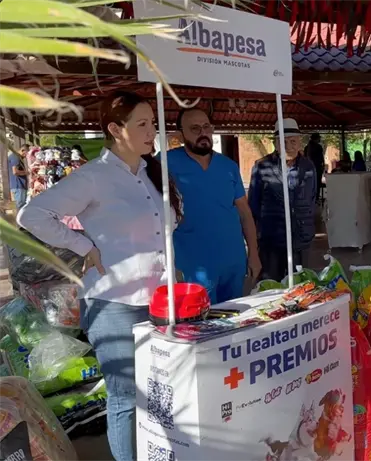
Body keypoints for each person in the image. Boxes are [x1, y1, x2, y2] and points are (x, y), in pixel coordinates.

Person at [17, 91, 183, 461]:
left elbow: (159, 232)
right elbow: (32, 215)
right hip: (114, 303)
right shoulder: (94, 177)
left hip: (160, 300)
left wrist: (169, 266)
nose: (152, 131)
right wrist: (82, 246)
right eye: (142, 124)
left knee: (161, 390)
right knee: (125, 397)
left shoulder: (150, 174)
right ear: (115, 129)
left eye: (153, 123)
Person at [166, 108, 261, 304]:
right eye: (194, 128)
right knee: (200, 319)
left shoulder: (228, 166)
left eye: (206, 127)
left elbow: (244, 213)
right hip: (193, 265)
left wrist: (253, 253)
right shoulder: (165, 163)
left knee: (234, 315)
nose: (203, 133)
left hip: (233, 260)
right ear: (180, 135)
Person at [248, 118, 317, 282]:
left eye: (293, 141)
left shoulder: (308, 166)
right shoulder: (262, 166)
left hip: (301, 239)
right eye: (283, 142)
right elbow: (253, 206)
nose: (289, 146)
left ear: (300, 142)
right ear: (275, 144)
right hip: (271, 240)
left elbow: (312, 197)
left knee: (301, 286)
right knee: (271, 285)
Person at [305, 133, 325, 199]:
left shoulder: (307, 147)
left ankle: (310, 197)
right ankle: (316, 197)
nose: (320, 139)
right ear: (316, 139)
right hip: (317, 167)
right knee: (317, 183)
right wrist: (322, 165)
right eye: (319, 138)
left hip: (308, 168)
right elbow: (321, 158)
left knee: (310, 183)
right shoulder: (318, 147)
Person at [9, 145, 29, 211]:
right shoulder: (16, 157)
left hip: (20, 186)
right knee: (20, 207)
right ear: (23, 150)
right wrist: (26, 172)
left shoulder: (17, 157)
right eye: (26, 153)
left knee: (21, 206)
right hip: (18, 185)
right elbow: (15, 171)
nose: (26, 156)